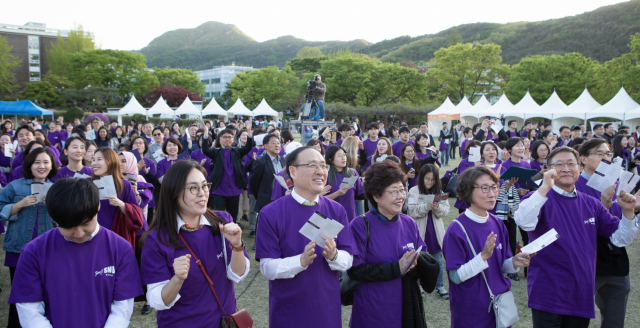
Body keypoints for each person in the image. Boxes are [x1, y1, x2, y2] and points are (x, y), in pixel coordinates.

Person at [515, 146, 639, 327]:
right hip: (548, 291)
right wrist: (543, 188)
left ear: (579, 168)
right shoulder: (539, 198)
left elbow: (621, 239)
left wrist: (628, 213)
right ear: (549, 170)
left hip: (581, 292)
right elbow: (524, 221)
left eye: (571, 163)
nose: (566, 168)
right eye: (559, 164)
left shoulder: (591, 203)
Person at [8, 178, 142, 328]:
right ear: (54, 217)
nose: (79, 233)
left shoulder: (120, 248)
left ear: (97, 206)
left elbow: (122, 306)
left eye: (86, 223)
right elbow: (29, 309)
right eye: (68, 226)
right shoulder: (34, 251)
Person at [255, 147, 357, 328]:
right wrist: (300, 261)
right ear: (292, 171)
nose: (320, 172)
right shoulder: (271, 213)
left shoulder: (336, 210)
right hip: (288, 312)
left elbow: (348, 260)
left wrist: (334, 255)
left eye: (323, 166)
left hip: (327, 310)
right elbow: (266, 268)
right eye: (312, 166)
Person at [141, 160, 250, 327]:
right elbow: (158, 301)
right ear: (173, 193)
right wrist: (177, 279)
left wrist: (237, 247)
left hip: (224, 322)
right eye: (193, 188)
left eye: (205, 185)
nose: (202, 193)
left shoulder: (222, 222)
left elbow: (238, 275)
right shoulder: (157, 239)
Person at [347, 160, 437, 328]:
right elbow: (355, 270)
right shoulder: (360, 225)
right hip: (372, 309)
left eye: (402, 190)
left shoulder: (409, 222)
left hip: (405, 306)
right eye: (394, 191)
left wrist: (417, 263)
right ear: (376, 195)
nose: (400, 196)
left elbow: (423, 256)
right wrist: (397, 268)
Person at [445, 166, 532, 327]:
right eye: (485, 188)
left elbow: (502, 265)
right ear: (467, 190)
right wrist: (482, 256)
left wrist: (514, 262)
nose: (492, 194)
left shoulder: (498, 223)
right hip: (471, 311)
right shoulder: (456, 229)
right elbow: (455, 277)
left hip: (500, 305)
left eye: (494, 187)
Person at [0, 147, 58, 328]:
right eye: (37, 162)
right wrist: (19, 205)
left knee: (45, 291)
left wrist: (54, 205)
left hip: (48, 248)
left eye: (46, 162)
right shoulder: (15, 186)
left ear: (52, 165)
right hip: (18, 248)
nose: (42, 166)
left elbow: (65, 218)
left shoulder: (57, 188)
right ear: (30, 165)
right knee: (20, 293)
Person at [575, 139, 631, 327]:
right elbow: (576, 227)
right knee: (577, 315)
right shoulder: (574, 186)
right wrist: (603, 206)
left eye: (608, 154)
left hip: (615, 257)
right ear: (583, 158)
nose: (606, 158)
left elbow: (622, 225)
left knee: (615, 318)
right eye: (600, 154)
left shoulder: (615, 184)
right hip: (585, 258)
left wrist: (631, 210)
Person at [407, 164, 451, 299]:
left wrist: (436, 207)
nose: (430, 182)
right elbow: (411, 210)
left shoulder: (439, 192)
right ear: (421, 178)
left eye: (432, 179)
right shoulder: (414, 191)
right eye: (427, 179)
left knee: (437, 260)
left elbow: (445, 211)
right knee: (419, 260)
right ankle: (419, 286)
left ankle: (440, 287)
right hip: (420, 231)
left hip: (435, 232)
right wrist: (426, 206)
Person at [201, 123, 254, 223]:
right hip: (219, 190)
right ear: (220, 139)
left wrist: (249, 132)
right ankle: (219, 236)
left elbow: (248, 148)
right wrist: (206, 133)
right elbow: (205, 150)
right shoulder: (216, 152)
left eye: (229, 137)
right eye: (224, 137)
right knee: (218, 217)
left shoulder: (237, 151)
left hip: (234, 191)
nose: (227, 139)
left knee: (232, 218)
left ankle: (232, 236)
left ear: (233, 139)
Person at [92, 147, 144, 247]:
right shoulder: (89, 184)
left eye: (99, 159)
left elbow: (137, 217)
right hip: (93, 236)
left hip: (117, 236)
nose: (94, 163)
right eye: (93, 159)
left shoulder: (124, 185)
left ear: (110, 161)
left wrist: (122, 205)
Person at [248, 133, 285, 240]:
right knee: (264, 222)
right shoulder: (260, 161)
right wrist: (260, 195)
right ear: (265, 146)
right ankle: (258, 242)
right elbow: (254, 182)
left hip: (282, 197)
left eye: (278, 143)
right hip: (266, 197)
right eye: (273, 143)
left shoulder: (284, 160)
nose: (277, 145)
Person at [323, 145, 364, 222]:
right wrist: (337, 193)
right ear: (330, 159)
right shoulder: (325, 176)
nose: (343, 158)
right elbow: (320, 200)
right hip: (332, 218)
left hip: (350, 217)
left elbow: (359, 195)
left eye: (344, 155)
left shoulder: (352, 173)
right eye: (339, 156)